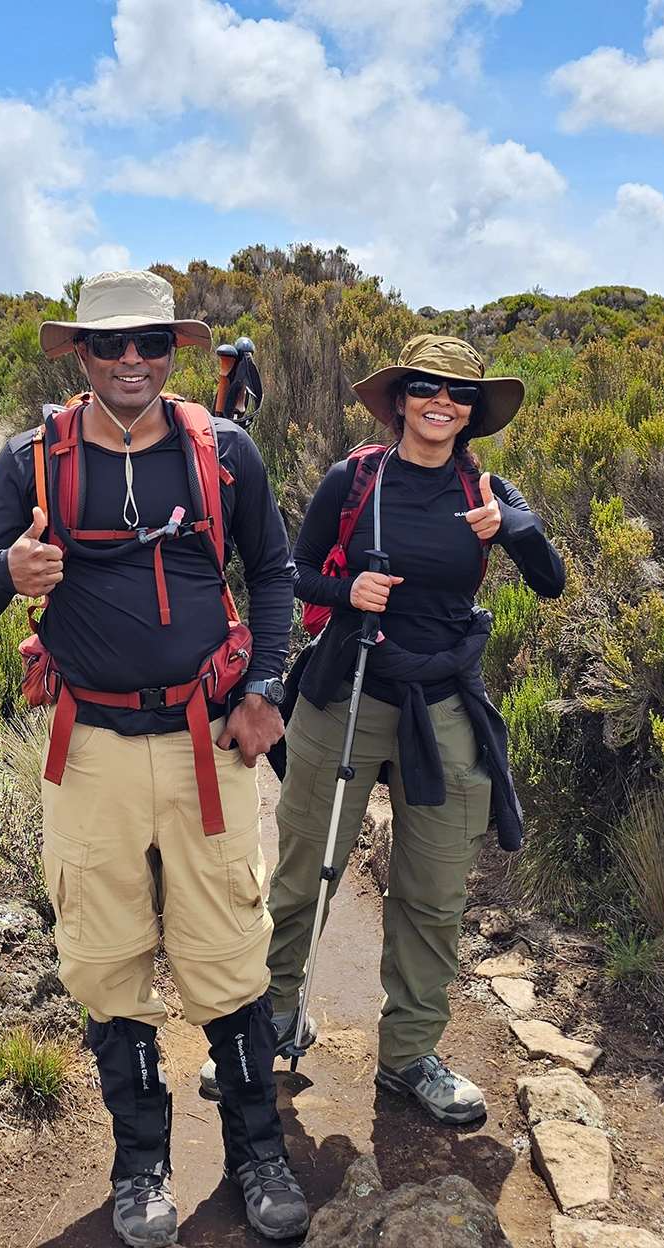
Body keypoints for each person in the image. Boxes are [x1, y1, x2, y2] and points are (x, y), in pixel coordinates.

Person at [0, 270, 308, 1246]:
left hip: (208, 744)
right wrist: (6, 572)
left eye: (149, 344)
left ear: (171, 351)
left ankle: (256, 1153)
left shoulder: (221, 453)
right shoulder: (31, 462)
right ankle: (140, 1163)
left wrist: (267, 689)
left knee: (231, 965)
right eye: (109, 346)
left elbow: (271, 570)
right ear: (80, 353)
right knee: (107, 968)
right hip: (92, 753)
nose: (130, 363)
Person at [256, 333, 565, 1125]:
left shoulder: (489, 490)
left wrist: (515, 530)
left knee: (432, 891)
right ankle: (273, 1018)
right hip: (347, 691)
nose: (441, 403)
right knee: (305, 869)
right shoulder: (356, 478)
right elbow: (291, 571)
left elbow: (552, 582)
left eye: (458, 394)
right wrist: (346, 586)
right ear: (399, 399)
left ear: (472, 412)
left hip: (444, 704)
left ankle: (409, 1056)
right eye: (425, 387)